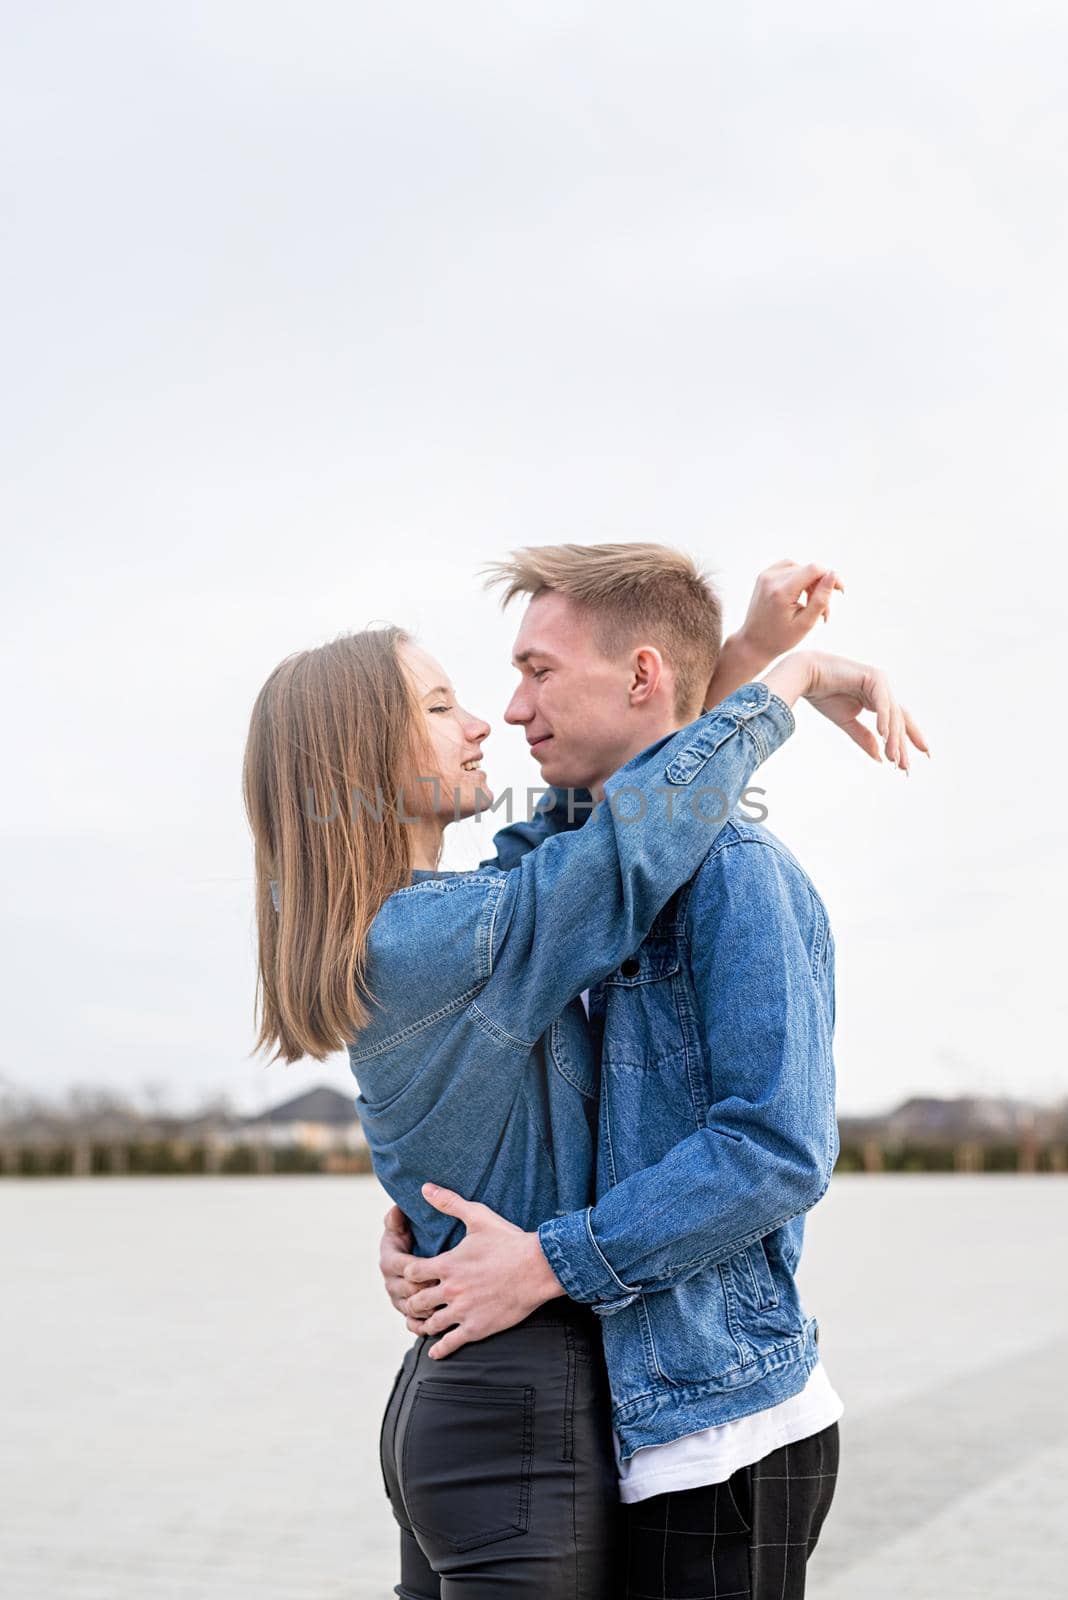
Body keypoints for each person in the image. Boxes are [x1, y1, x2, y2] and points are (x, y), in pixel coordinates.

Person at [243, 561, 923, 1600]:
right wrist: (789, 679)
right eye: (442, 704)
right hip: (524, 1417)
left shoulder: (455, 914)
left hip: (501, 1407)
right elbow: (614, 856)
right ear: (365, 756)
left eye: (530, 675)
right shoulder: (449, 934)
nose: (492, 720)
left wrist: (731, 662)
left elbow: (597, 837)